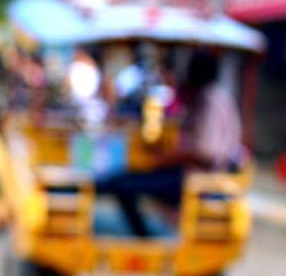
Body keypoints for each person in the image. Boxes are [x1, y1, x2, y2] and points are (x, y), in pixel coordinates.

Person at [95, 50, 242, 237]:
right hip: (193, 174)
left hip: (196, 178)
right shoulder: (214, 97)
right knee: (125, 181)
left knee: (122, 183)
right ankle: (142, 233)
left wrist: (164, 159)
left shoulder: (210, 100)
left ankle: (143, 236)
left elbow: (206, 153)